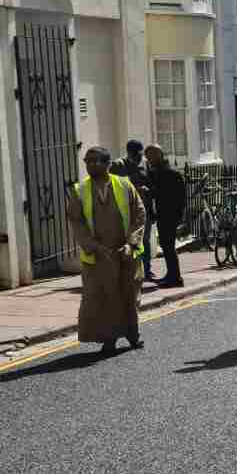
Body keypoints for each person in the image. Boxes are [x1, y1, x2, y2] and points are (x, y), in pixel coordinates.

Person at [66, 146, 148, 355]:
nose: (91, 165)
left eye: (96, 161)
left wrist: (131, 243)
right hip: (97, 255)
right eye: (88, 161)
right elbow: (77, 222)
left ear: (107, 163)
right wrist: (93, 246)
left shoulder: (124, 185)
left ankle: (133, 335)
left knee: (129, 294)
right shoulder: (80, 190)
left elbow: (139, 214)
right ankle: (108, 339)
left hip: (126, 252)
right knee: (102, 297)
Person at [111, 139, 155, 281]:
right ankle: (127, 271)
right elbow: (111, 185)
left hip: (144, 209)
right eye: (135, 155)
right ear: (128, 153)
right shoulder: (118, 166)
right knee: (126, 241)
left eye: (140, 155)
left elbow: (152, 184)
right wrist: (136, 189)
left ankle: (146, 270)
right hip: (125, 210)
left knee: (145, 240)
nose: (138, 158)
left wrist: (148, 192)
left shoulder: (145, 165)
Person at [144, 144, 186, 288]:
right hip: (164, 213)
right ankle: (172, 275)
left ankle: (175, 277)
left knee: (168, 245)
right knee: (166, 245)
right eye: (147, 157)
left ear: (159, 155)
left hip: (170, 214)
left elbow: (170, 194)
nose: (149, 159)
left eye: (151, 156)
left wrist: (150, 192)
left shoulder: (169, 172)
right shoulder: (158, 171)